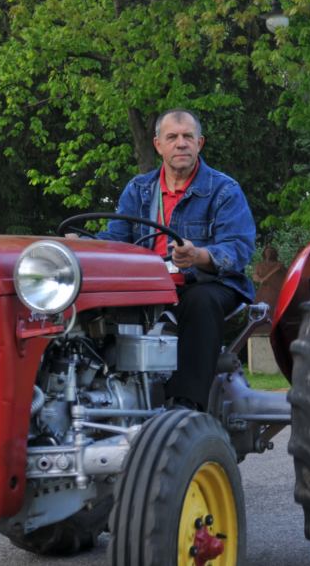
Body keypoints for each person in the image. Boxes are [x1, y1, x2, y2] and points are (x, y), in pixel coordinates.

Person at [95, 109, 256, 410]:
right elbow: (115, 239)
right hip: (148, 288)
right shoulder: (138, 189)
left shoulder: (224, 189)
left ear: (199, 143)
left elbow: (238, 247)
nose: (180, 143)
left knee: (200, 301)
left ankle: (186, 406)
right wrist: (79, 245)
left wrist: (199, 256)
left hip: (207, 282)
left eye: (187, 137)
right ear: (158, 145)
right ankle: (102, 394)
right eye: (172, 137)